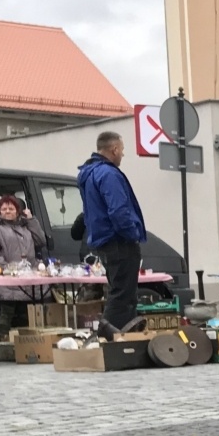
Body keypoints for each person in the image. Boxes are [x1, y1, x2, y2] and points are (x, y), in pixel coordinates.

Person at [76, 131, 148, 334]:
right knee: (123, 295)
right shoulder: (108, 174)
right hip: (119, 241)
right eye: (122, 150)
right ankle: (107, 338)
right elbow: (118, 210)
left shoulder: (89, 173)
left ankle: (126, 339)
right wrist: (132, 234)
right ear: (114, 149)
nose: (123, 155)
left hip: (105, 242)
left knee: (121, 292)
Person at [0, 193, 45, 338]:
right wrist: (8, 269)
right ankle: (4, 341)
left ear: (18, 210)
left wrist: (31, 220)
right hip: (7, 278)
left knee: (27, 314)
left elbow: (41, 241)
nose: (7, 211)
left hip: (27, 278)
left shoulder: (25, 226)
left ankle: (28, 344)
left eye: (11, 208)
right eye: (4, 209)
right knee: (7, 312)